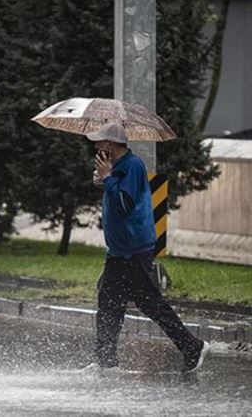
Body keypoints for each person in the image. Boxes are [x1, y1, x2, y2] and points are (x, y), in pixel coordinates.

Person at [86, 121, 209, 373]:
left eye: (100, 141)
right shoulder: (116, 166)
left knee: (150, 303)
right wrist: (103, 180)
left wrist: (108, 179)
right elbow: (114, 194)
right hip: (119, 250)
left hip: (134, 248)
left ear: (111, 143)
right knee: (109, 303)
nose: (96, 145)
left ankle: (192, 347)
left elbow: (123, 205)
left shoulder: (132, 166)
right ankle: (105, 360)